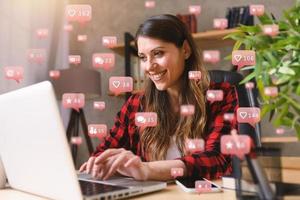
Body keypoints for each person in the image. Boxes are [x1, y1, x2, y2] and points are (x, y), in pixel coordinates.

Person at [79, 14, 238, 181]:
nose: (149, 67)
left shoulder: (221, 95)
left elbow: (217, 159)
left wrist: (146, 170)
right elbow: (101, 156)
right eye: (143, 57)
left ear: (185, 50)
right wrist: (106, 163)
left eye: (158, 53)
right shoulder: (136, 104)